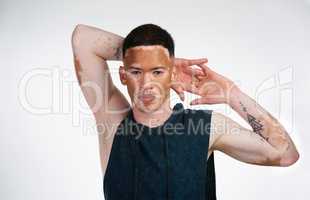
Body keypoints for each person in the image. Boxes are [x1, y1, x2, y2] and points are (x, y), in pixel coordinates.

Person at [71, 23, 299, 200]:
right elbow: (83, 38)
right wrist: (147, 56)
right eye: (136, 72)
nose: (146, 83)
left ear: (171, 74)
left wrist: (232, 94)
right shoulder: (112, 122)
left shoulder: (206, 127)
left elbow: (285, 153)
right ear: (123, 76)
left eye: (157, 72)